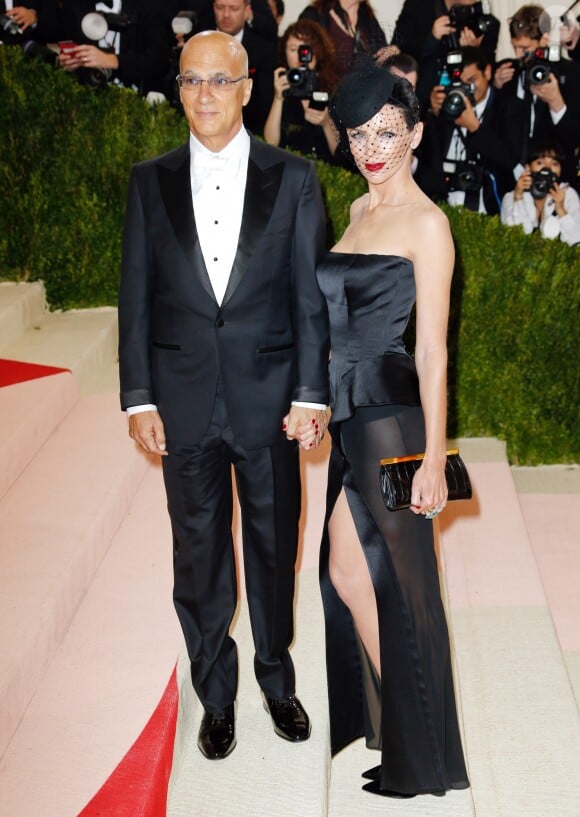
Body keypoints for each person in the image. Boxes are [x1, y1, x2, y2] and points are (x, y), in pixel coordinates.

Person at [118, 30, 330, 761]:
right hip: (179, 402)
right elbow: (135, 299)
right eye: (191, 80)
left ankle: (276, 678)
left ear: (246, 89)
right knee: (198, 553)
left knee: (274, 549)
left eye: (219, 79)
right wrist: (138, 396)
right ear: (178, 89)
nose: (204, 93)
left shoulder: (296, 178)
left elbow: (310, 298)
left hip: (270, 397)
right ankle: (217, 693)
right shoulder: (150, 180)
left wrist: (311, 390)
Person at [316, 63, 469, 797]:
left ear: (414, 132)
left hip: (390, 418)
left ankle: (423, 758)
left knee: (407, 590)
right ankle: (408, 734)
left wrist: (434, 457)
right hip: (348, 416)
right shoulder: (353, 211)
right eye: (358, 134)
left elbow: (434, 346)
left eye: (386, 132)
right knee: (347, 572)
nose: (372, 148)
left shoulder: (427, 224)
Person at [416, 46, 524, 214]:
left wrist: (475, 127)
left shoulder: (509, 106)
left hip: (488, 203)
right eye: (460, 83)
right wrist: (434, 113)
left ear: (487, 72)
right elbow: (426, 155)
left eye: (472, 80)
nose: (466, 89)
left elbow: (509, 160)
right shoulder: (449, 103)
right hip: (442, 199)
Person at [493, 5, 580, 189]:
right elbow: (495, 127)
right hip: (509, 181)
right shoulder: (505, 71)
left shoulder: (571, 73)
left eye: (525, 48)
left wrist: (556, 103)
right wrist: (495, 87)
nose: (519, 55)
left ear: (544, 39)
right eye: (514, 47)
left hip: (558, 184)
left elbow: (573, 139)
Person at [57, 0, 174, 96]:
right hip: (88, 99)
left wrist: (115, 61)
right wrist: (70, 63)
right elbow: (69, 47)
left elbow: (159, 59)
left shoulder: (148, 5)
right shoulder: (74, 5)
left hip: (138, 100)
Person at [263, 19, 339, 162]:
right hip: (290, 170)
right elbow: (270, 144)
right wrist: (278, 98)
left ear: (318, 51)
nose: (300, 55)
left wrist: (326, 122)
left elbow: (341, 154)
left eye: (306, 48)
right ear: (284, 52)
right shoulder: (279, 86)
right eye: (293, 49)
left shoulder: (332, 89)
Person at [213, 0, 276, 134]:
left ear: (247, 10)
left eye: (234, 9)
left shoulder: (263, 51)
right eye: (220, 7)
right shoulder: (199, 46)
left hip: (251, 132)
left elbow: (265, 102)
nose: (226, 15)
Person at [501, 142, 580, 245]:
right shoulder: (511, 196)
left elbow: (577, 240)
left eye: (554, 164)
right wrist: (518, 198)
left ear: (560, 170)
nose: (547, 168)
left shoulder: (568, 195)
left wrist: (561, 210)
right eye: (540, 163)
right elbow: (515, 238)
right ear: (528, 168)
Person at [298, 0, 386, 79]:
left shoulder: (367, 17)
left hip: (365, 93)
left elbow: (383, 56)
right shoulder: (315, 14)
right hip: (326, 92)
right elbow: (301, 57)